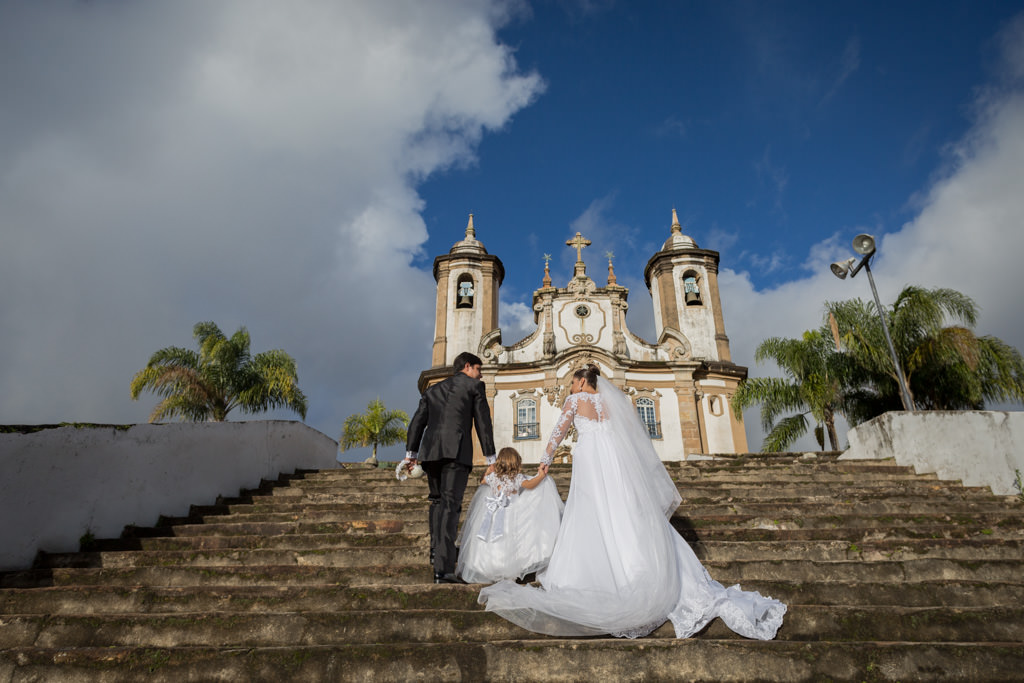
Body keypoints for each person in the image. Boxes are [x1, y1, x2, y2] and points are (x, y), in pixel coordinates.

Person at [479, 364, 786, 639]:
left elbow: (558, 431)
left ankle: (596, 576)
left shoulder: (576, 401)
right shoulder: (612, 406)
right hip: (614, 464)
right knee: (623, 510)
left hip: (590, 462)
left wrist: (545, 462)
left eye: (572, 383)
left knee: (592, 510)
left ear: (583, 383)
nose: (570, 388)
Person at [404, 352, 496, 584]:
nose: (481, 373)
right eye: (478, 368)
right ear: (467, 367)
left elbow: (417, 422)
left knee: (436, 501)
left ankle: (436, 552)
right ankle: (443, 570)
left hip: (430, 452)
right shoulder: (475, 386)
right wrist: (491, 458)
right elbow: (482, 421)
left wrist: (410, 455)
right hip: (456, 452)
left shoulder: (432, 390)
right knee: (449, 505)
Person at [456, 447, 565, 585]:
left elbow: (483, 481)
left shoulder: (493, 478)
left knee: (491, 540)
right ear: (516, 462)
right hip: (511, 514)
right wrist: (541, 477)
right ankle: (509, 568)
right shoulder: (517, 478)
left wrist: (488, 471)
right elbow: (531, 485)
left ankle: (489, 567)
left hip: (493, 513)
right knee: (511, 539)